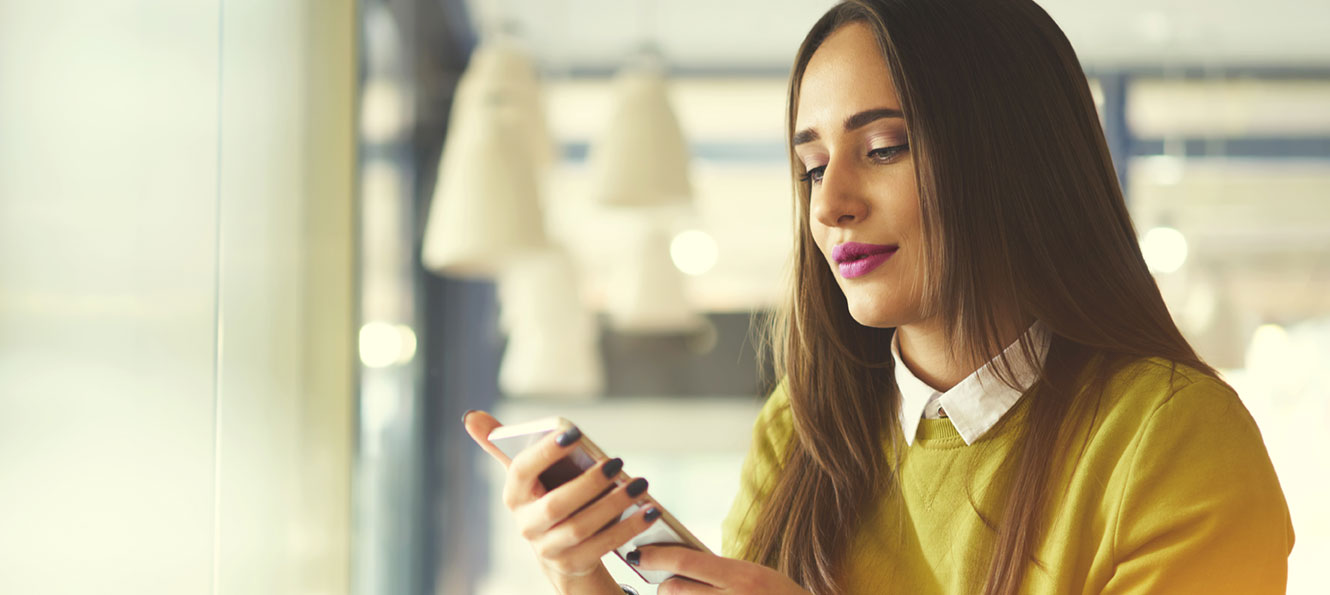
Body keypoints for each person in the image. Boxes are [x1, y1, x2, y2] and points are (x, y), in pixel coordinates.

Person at [463, 0, 1295, 593]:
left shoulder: (1172, 438)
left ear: (1010, 158)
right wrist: (586, 572)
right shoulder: (801, 427)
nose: (829, 205)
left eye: (885, 147)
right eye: (812, 165)